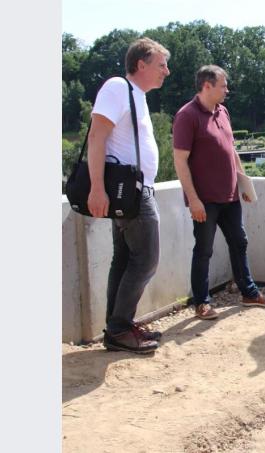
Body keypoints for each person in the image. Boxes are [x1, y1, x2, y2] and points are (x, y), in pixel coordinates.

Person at [173, 65, 265, 321]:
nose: (227, 90)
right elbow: (180, 161)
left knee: (239, 243)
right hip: (205, 200)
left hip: (230, 196)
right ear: (207, 86)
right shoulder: (187, 116)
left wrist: (243, 183)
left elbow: (231, 150)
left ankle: (249, 293)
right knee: (204, 250)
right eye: (223, 85)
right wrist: (193, 199)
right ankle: (202, 302)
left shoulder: (222, 111)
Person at [86, 38, 171, 353]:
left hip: (131, 191)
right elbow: (97, 136)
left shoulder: (136, 95)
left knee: (124, 261)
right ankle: (120, 328)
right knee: (146, 260)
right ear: (141, 64)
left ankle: (117, 328)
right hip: (130, 192)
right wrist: (97, 187)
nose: (167, 71)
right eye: (161, 64)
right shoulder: (117, 88)